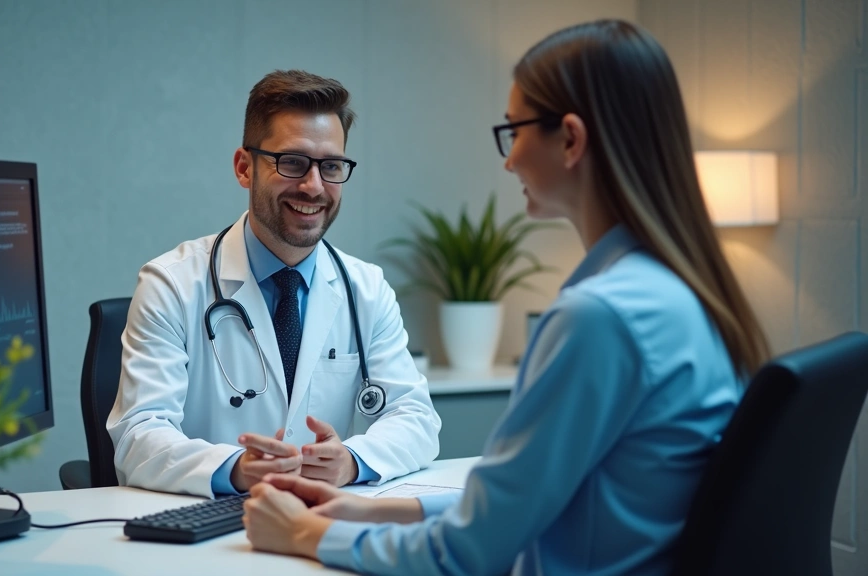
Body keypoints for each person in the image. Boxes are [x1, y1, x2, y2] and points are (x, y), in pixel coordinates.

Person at [241, 20, 771, 576]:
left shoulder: (598, 319)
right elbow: (543, 497)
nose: (509, 159)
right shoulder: (679, 294)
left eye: (513, 131)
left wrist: (303, 533)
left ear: (570, 139)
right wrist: (391, 509)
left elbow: (465, 554)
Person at [107, 70, 442, 498]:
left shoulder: (367, 289)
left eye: (332, 166)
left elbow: (416, 417)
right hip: (209, 536)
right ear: (245, 168)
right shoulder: (171, 284)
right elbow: (139, 433)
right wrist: (234, 469)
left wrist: (353, 461)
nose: (314, 186)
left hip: (320, 526)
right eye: (293, 162)